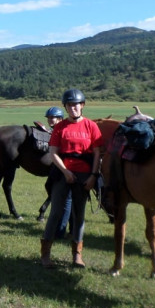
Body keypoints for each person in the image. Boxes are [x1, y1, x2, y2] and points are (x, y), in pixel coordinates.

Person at [40, 89, 103, 269]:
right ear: (65, 107)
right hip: (62, 174)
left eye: (76, 104)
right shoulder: (60, 127)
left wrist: (93, 176)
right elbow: (53, 152)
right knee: (55, 213)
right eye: (69, 105)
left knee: (79, 215)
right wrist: (66, 172)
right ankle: (46, 254)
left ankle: (77, 255)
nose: (73, 108)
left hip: (85, 176)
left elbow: (97, 153)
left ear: (82, 105)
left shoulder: (91, 126)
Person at [36, 107, 72, 240]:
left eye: (53, 117)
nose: (50, 119)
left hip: (64, 168)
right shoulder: (56, 130)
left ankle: (62, 231)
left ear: (60, 118)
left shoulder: (62, 131)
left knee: (68, 201)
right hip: (59, 169)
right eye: (49, 118)